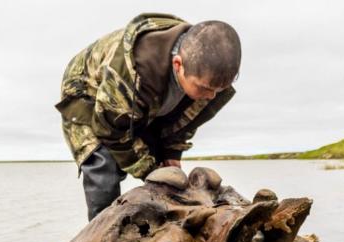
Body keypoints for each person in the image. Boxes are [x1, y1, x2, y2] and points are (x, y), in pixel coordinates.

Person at [57, 13, 241, 219]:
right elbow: (109, 131)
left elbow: (182, 121)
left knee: (166, 169)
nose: (211, 95)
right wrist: (150, 171)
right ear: (178, 65)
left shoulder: (206, 75)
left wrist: (171, 154)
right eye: (205, 88)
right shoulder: (133, 72)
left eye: (218, 89)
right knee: (104, 165)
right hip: (87, 94)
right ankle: (103, 235)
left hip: (141, 104)